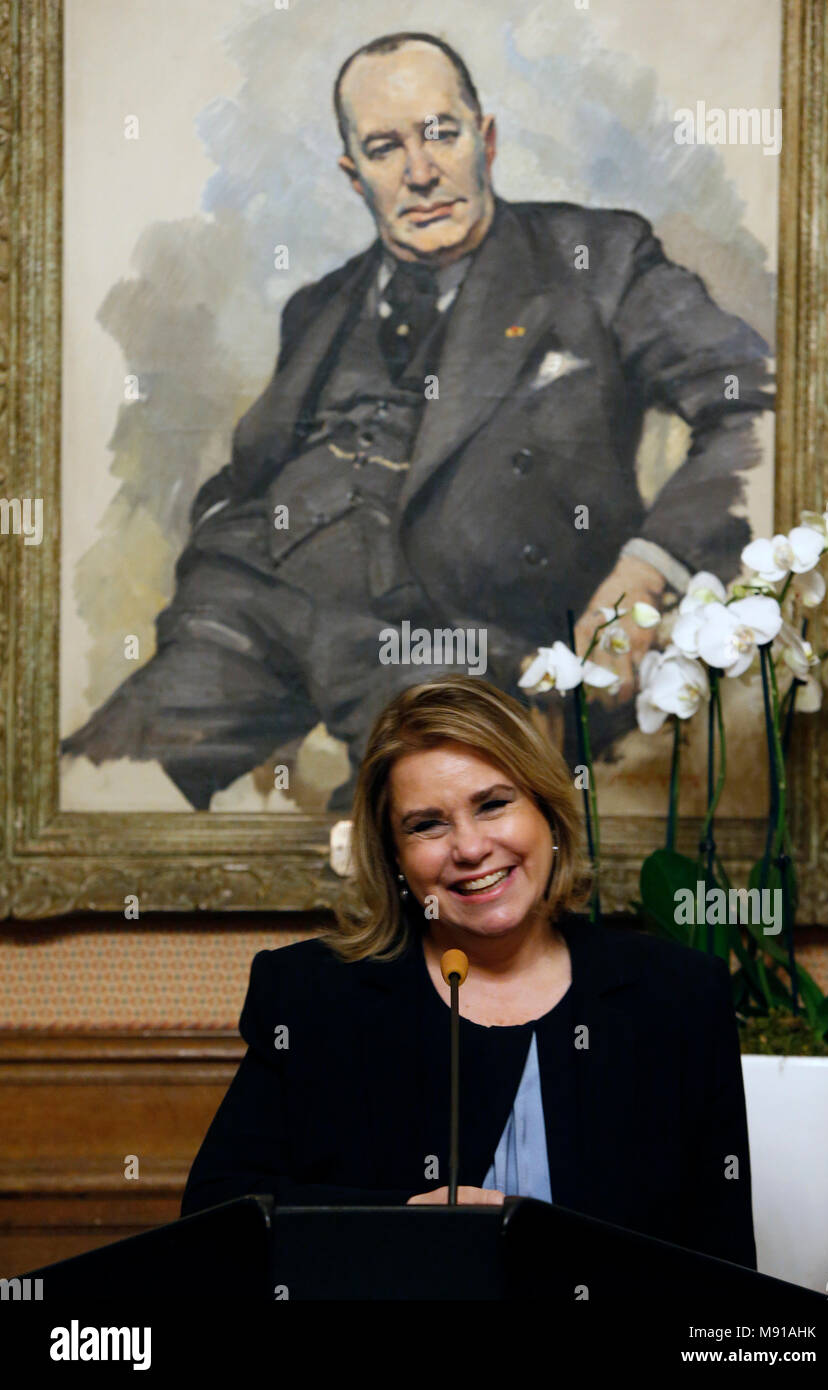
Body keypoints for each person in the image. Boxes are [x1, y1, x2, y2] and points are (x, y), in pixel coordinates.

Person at [62, 31, 773, 812]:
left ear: (486, 139)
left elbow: (754, 401)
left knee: (403, 862)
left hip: (461, 642)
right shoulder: (319, 307)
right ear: (353, 175)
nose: (422, 170)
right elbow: (250, 477)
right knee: (89, 796)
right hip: (245, 624)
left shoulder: (599, 257)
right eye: (385, 147)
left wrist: (644, 576)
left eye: (441, 132)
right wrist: (216, 577)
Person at [181, 674, 757, 1270]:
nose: (470, 848)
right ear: (396, 857)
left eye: (493, 804)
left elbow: (723, 1274)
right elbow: (216, 1216)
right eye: (427, 824)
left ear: (548, 815)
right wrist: (399, 1223)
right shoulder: (312, 994)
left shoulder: (679, 996)